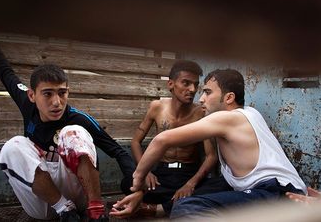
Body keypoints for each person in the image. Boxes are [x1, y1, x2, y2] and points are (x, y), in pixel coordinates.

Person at [0, 29, 136, 222]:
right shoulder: (26, 103)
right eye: (47, 94)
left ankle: (95, 211)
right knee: (13, 145)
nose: (56, 102)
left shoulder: (78, 118)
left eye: (62, 93)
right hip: (44, 202)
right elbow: (5, 71)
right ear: (31, 95)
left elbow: (118, 151)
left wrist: (135, 187)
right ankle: (64, 210)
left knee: (74, 133)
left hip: (78, 197)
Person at [112, 69, 307, 219]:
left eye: (207, 92)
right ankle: (156, 208)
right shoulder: (250, 114)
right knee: (216, 184)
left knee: (188, 207)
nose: (201, 98)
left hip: (276, 194)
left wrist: (138, 183)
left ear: (228, 98)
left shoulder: (227, 118)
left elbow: (161, 140)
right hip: (275, 190)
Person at [129, 60, 219, 216]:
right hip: (161, 174)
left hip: (189, 173)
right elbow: (135, 142)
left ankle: (157, 208)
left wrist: (191, 183)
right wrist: (146, 171)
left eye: (195, 85)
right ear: (171, 84)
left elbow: (211, 156)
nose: (192, 89)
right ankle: (176, 203)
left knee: (219, 186)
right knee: (128, 182)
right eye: (186, 83)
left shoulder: (201, 113)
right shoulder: (157, 107)